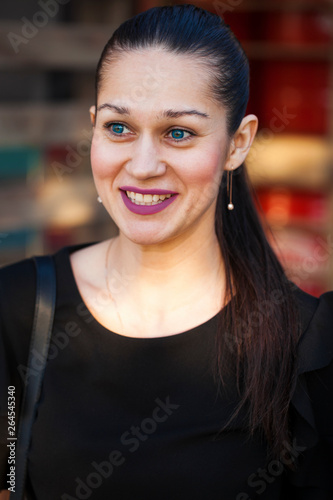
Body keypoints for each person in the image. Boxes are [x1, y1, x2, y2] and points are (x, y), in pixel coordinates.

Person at [1, 4, 332, 499]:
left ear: (238, 144)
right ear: (93, 126)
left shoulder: (306, 345)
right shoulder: (20, 307)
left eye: (178, 133)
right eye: (118, 128)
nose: (143, 165)